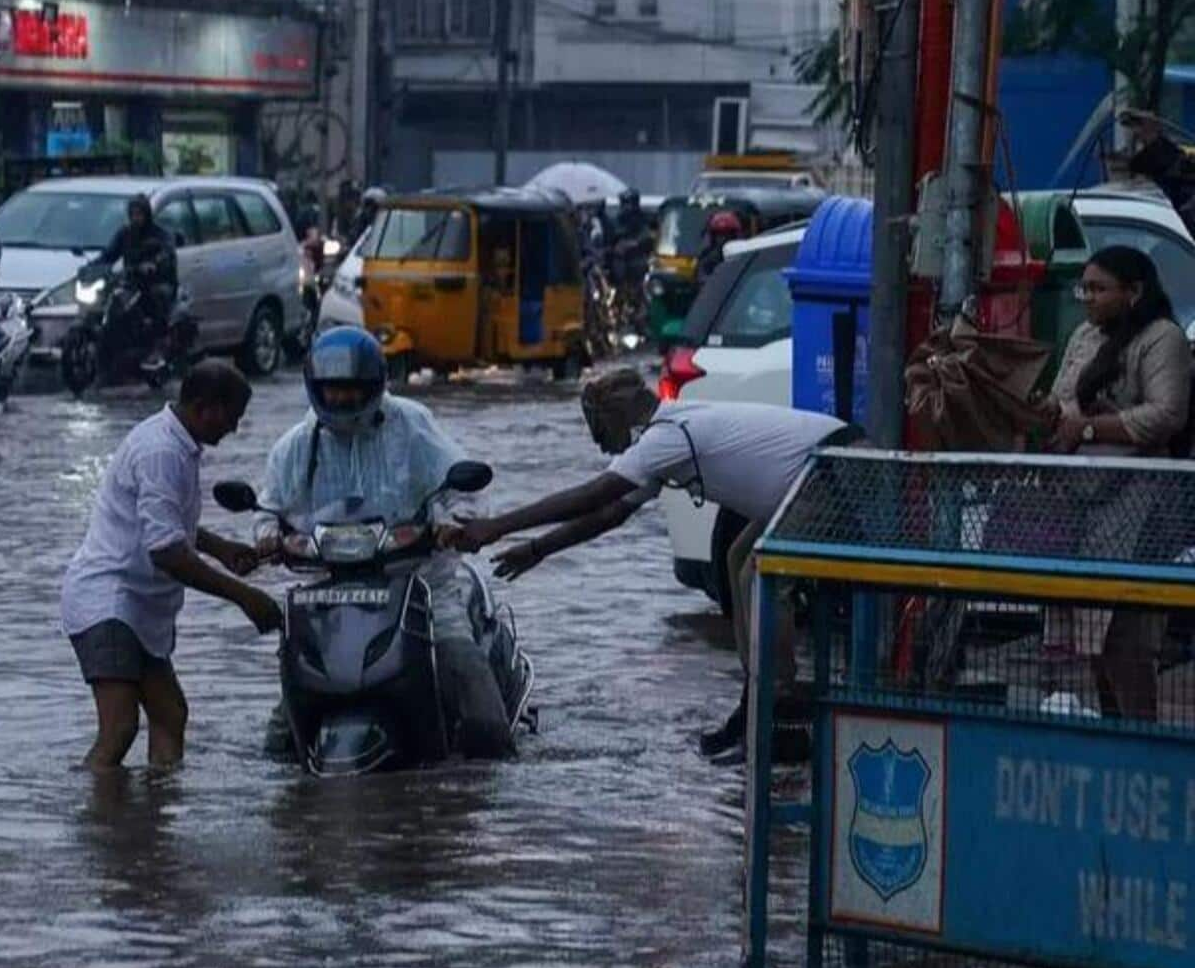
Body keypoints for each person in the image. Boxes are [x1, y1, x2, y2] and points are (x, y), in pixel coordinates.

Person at [444, 366, 860, 762]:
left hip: (835, 469)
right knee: (738, 559)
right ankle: (753, 709)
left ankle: (780, 720)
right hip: (811, 472)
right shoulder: (671, 432)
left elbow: (596, 495)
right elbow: (611, 515)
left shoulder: (665, 438)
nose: (600, 445)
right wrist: (537, 549)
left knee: (761, 574)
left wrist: (497, 526)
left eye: (599, 431)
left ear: (616, 416)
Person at [256, 326, 514, 758]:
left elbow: (461, 488)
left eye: (351, 389)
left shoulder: (412, 426)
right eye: (331, 390)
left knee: (468, 677)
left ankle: (498, 774)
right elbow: (270, 507)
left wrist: (453, 522)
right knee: (281, 735)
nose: (340, 399)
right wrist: (267, 537)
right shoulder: (296, 446)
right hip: (330, 593)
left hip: (421, 586)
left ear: (374, 385)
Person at [61, 362, 283, 770]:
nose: (234, 428)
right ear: (205, 408)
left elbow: (166, 522)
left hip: (136, 606)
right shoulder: (161, 451)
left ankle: (153, 820)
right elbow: (165, 551)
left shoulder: (177, 445)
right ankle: (96, 825)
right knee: (120, 729)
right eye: (232, 417)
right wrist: (245, 597)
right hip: (109, 600)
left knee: (170, 715)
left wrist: (220, 548)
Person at [1041, 246, 1192, 721]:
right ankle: (1112, 737)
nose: (1087, 297)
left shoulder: (1161, 338)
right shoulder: (1086, 336)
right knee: (1090, 639)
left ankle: (1142, 744)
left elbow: (1167, 414)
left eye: (1099, 288)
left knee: (1125, 638)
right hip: (1080, 504)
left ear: (1135, 292)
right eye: (1084, 287)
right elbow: (1059, 400)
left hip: (1139, 505)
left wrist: (1091, 428)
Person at [92, 193, 184, 368]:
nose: (136, 218)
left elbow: (167, 252)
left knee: (157, 297)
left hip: (158, 281)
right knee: (113, 299)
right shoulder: (125, 234)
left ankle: (158, 345)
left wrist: (154, 264)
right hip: (132, 280)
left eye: (139, 214)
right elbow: (109, 254)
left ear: (147, 214)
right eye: (133, 214)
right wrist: (93, 267)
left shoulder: (159, 234)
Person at [697, 209, 744, 280]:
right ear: (713, 236)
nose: (723, 239)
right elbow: (702, 278)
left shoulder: (744, 254)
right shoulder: (706, 256)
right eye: (719, 235)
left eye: (728, 235)